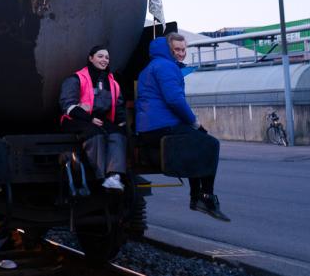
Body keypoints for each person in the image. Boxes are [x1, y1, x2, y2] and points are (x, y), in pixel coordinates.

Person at [136, 32, 230, 221]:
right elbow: (174, 100)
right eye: (176, 50)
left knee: (196, 144)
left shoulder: (152, 66)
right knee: (210, 144)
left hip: (149, 127)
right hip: (161, 125)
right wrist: (194, 122)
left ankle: (197, 197)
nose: (180, 53)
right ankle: (205, 197)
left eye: (183, 49)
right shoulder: (166, 67)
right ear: (168, 50)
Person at [59, 45, 127, 191]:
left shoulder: (113, 83)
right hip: (76, 120)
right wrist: (89, 119)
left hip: (100, 119)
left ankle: (113, 176)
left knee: (117, 134)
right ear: (91, 58)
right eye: (100, 56)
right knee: (95, 134)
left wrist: (122, 124)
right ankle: (101, 177)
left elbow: (119, 106)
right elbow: (68, 106)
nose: (104, 60)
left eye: (107, 57)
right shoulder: (76, 78)